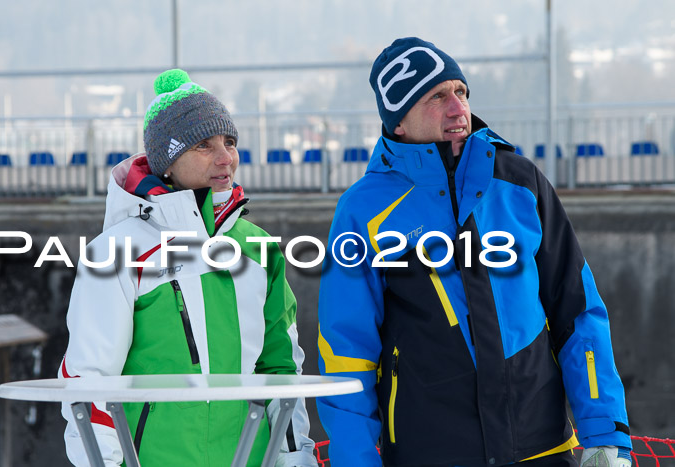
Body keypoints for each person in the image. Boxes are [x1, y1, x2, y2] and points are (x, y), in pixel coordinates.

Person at [317, 37, 632, 467]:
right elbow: (346, 350)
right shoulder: (363, 210)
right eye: (437, 97)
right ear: (399, 123)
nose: (457, 108)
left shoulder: (520, 183)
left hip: (542, 450)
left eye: (461, 92)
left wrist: (605, 433)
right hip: (428, 453)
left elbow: (578, 314)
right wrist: (355, 459)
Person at [59, 69, 318, 467]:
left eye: (230, 142)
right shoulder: (118, 251)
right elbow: (89, 378)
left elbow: (280, 367)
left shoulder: (259, 248)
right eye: (203, 144)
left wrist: (295, 457)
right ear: (167, 161)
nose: (224, 157)